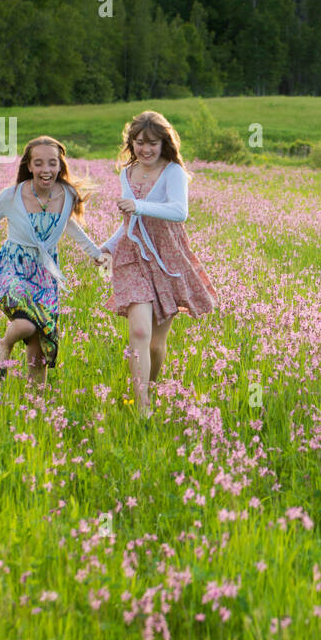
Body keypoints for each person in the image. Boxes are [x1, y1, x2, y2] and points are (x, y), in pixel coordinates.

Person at [0, 136, 106, 383]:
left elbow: (69, 226)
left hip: (45, 275)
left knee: (40, 343)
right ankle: (4, 345)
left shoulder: (67, 195)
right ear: (28, 166)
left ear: (60, 166)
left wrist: (96, 254)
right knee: (27, 324)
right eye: (38, 163)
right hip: (13, 269)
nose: (46, 170)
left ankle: (36, 400)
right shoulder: (12, 196)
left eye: (52, 163)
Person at [99, 111, 217, 415]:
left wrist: (138, 205)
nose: (145, 149)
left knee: (155, 344)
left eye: (152, 143)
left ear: (164, 143)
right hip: (133, 256)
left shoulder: (173, 172)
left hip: (167, 257)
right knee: (139, 333)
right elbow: (129, 223)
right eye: (139, 143)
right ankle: (142, 406)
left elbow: (179, 211)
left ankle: (149, 388)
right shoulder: (126, 173)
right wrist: (109, 247)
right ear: (131, 144)